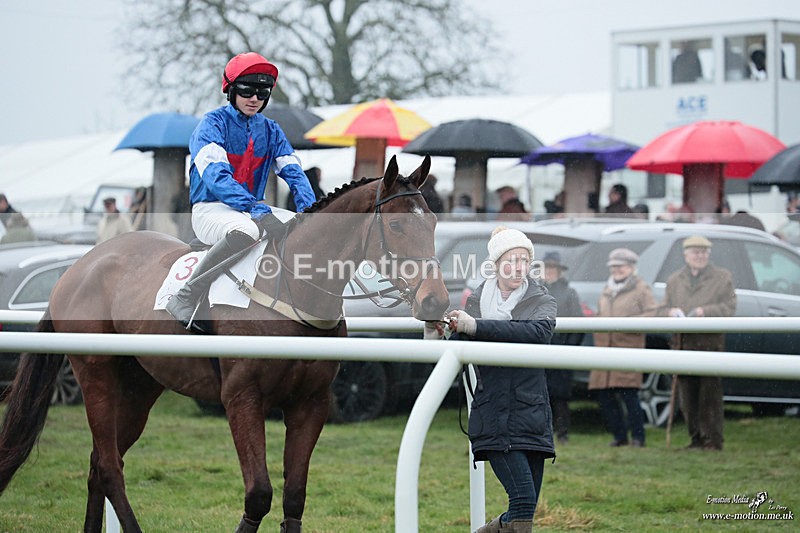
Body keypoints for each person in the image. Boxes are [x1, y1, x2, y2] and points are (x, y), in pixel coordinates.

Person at [165, 52, 316, 333]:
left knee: (304, 231)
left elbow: (294, 173)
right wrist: (256, 209)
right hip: (211, 209)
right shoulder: (211, 125)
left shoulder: (271, 130)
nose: (254, 98)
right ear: (231, 91)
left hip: (250, 209)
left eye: (262, 92)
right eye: (247, 90)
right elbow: (217, 179)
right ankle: (186, 295)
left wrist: (311, 211)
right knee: (248, 231)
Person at [425, 226, 557, 533]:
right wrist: (440, 332)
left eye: (524, 260)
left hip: (531, 415)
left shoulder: (542, 299)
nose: (518, 267)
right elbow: (466, 347)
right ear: (496, 265)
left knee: (523, 511)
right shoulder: (476, 301)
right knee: (523, 503)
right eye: (510, 260)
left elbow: (537, 334)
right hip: (493, 415)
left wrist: (476, 327)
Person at [661, 235, 736, 451]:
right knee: (687, 396)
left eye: (704, 252)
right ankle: (695, 438)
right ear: (686, 255)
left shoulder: (722, 277)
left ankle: (712, 440)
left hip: (709, 344)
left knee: (709, 396)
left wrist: (707, 312)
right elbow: (661, 308)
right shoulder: (674, 280)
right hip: (682, 344)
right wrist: (670, 312)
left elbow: (730, 307)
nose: (700, 256)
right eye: (695, 252)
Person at [588, 248, 655, 447]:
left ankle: (638, 437)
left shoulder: (642, 288)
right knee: (605, 396)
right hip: (604, 351)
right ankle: (619, 436)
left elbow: (653, 313)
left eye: (621, 266)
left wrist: (627, 324)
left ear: (632, 267)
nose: (617, 270)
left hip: (628, 349)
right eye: (613, 266)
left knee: (629, 395)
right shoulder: (606, 289)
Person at [542, 251, 584, 445]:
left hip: (561, 349)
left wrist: (568, 348)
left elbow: (579, 324)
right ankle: (544, 431)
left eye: (553, 268)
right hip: (540, 350)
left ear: (559, 270)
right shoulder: (535, 290)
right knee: (542, 395)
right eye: (547, 267)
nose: (549, 271)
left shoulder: (569, 292)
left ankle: (563, 433)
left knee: (561, 397)